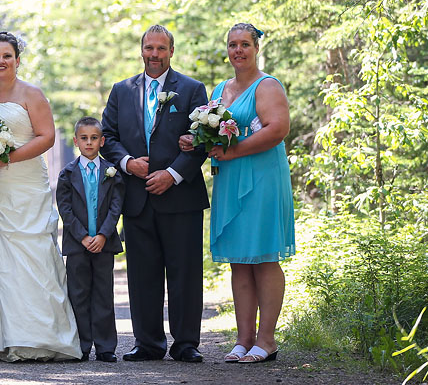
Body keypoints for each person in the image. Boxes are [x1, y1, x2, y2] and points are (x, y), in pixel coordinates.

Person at [179, 23, 295, 364]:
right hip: (230, 178)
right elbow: (213, 134)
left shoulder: (268, 85)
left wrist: (234, 151)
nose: (238, 50)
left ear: (256, 48)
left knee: (263, 256)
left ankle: (267, 340)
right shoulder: (221, 88)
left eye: (245, 44)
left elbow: (278, 129)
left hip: (261, 178)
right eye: (232, 45)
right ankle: (243, 340)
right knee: (239, 261)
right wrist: (195, 140)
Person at [0, 31, 82, 361]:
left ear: (18, 59)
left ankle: (39, 336)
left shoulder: (33, 94)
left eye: (7, 56)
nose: (0, 61)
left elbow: (46, 138)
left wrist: (6, 157)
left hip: (25, 182)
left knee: (32, 254)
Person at [101, 24, 209, 363]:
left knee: (185, 274)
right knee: (142, 275)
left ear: (171, 52)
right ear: (141, 50)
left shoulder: (192, 90)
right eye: (149, 48)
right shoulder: (121, 90)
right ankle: (147, 343)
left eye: (161, 49)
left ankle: (186, 344)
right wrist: (128, 162)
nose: (154, 55)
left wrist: (173, 174)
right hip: (137, 197)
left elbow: (203, 139)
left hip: (181, 197)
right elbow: (108, 136)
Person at [56, 117, 125, 363]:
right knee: (79, 294)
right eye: (84, 138)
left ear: (102, 141)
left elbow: (116, 206)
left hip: (104, 244)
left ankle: (106, 347)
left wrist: (103, 234)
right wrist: (83, 236)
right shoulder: (67, 174)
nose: (89, 142)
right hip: (77, 245)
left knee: (104, 295)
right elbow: (65, 209)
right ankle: (82, 345)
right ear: (75, 141)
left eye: (94, 138)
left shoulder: (112, 172)